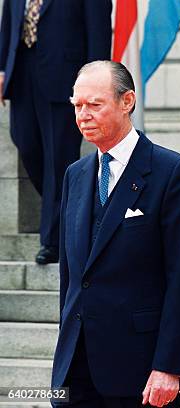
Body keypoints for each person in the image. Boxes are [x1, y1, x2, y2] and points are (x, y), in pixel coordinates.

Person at [50, 61, 180, 408]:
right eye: (77, 105)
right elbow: (72, 278)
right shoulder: (75, 175)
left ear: (127, 101)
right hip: (76, 370)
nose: (83, 115)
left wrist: (170, 366)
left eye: (95, 104)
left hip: (141, 373)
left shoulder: (172, 172)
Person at [0, 0, 112, 264]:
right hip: (22, 73)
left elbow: (98, 30)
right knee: (26, 143)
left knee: (59, 158)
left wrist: (96, 82)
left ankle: (52, 241)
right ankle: (66, 210)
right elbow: (8, 20)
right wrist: (2, 68)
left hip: (65, 77)